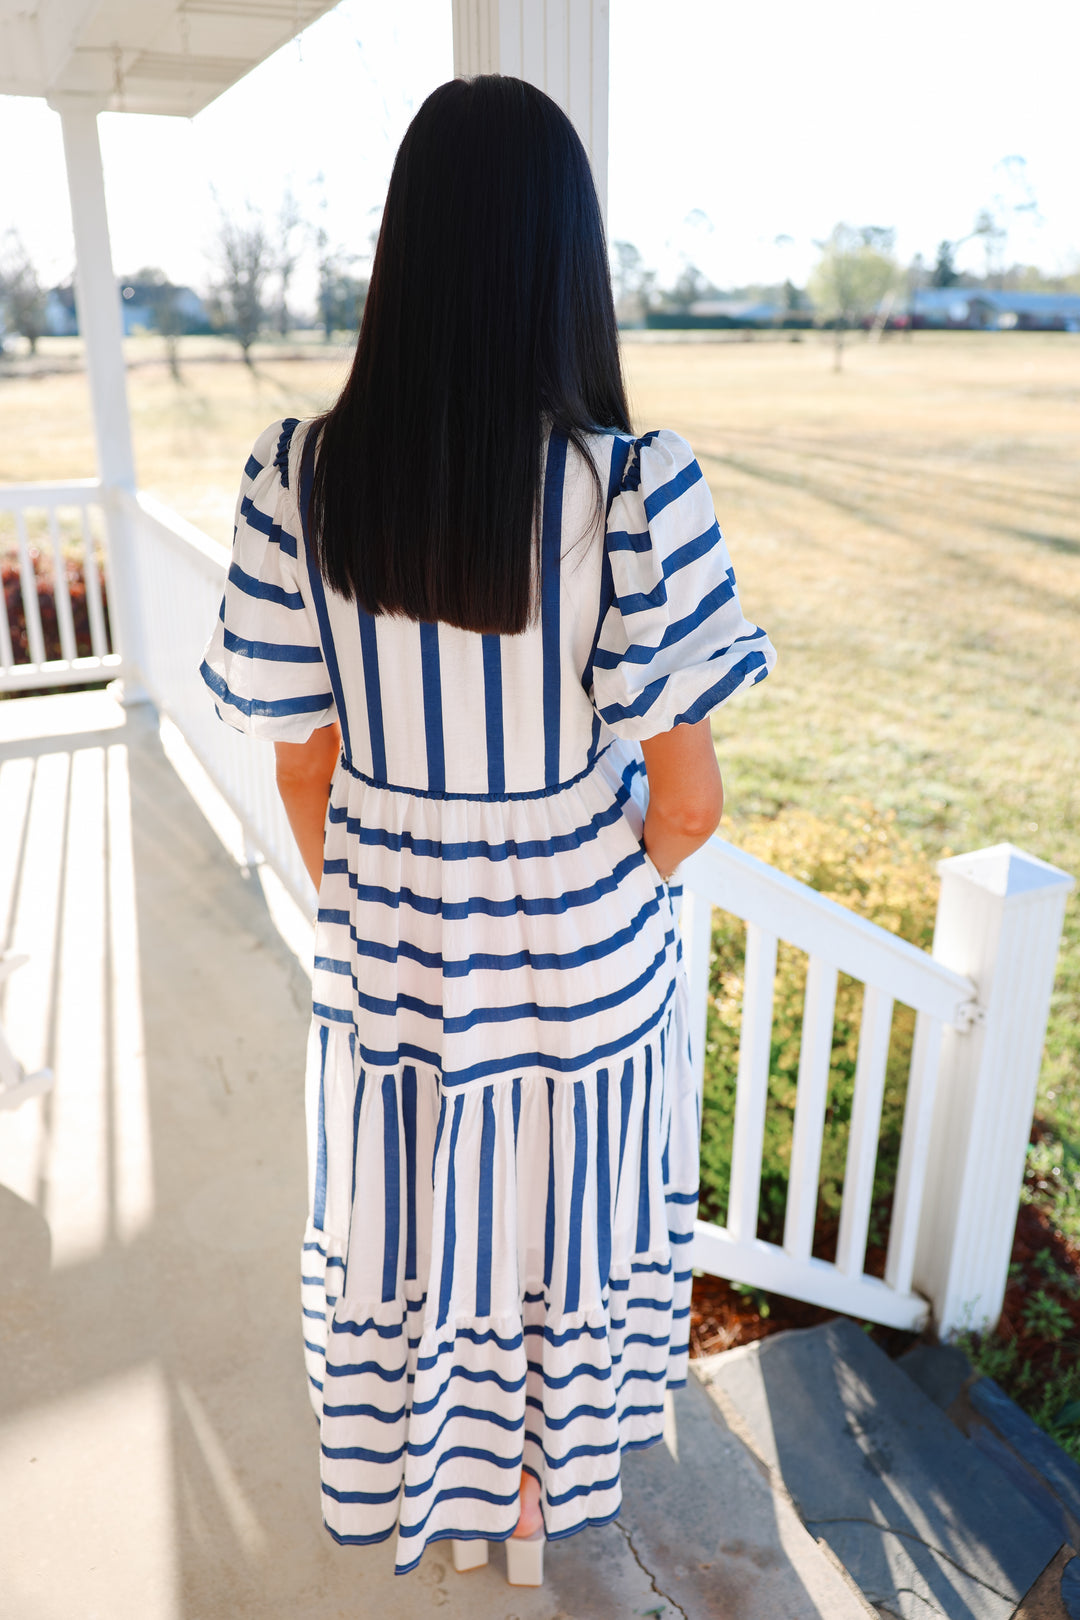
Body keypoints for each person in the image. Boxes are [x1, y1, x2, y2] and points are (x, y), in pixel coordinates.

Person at [200, 74, 775, 1587]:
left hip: (392, 945)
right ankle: (535, 1507)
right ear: (561, 261)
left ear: (408, 253)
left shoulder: (298, 478)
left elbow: (302, 771)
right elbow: (693, 798)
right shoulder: (637, 492)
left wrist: (393, 901)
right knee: (557, 1226)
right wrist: (588, 889)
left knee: (420, 1220)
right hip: (583, 951)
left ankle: (438, 1498)